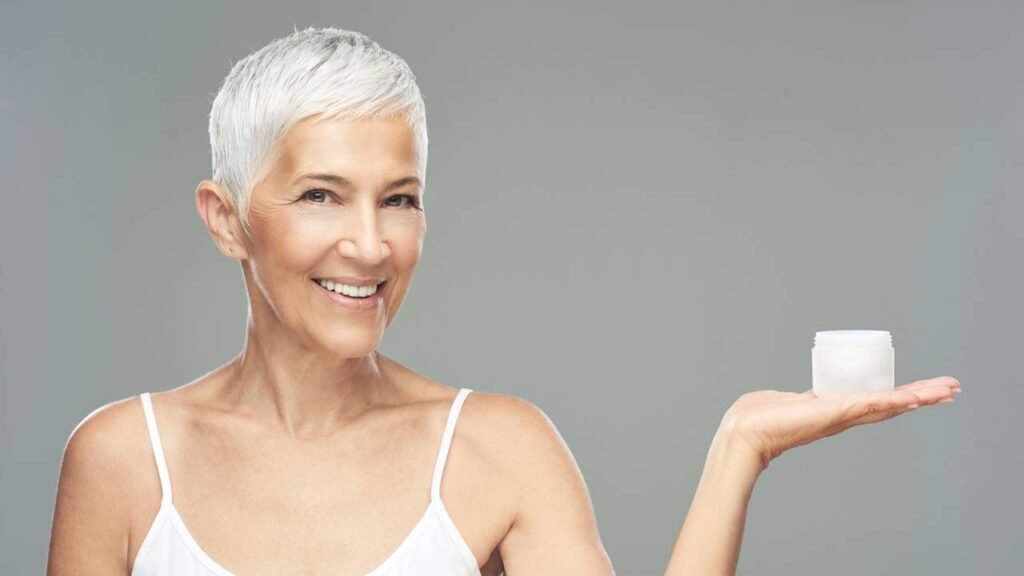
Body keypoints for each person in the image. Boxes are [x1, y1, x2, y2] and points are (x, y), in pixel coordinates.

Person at [45, 27, 960, 576]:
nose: (370, 244)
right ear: (227, 220)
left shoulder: (498, 449)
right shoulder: (124, 461)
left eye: (399, 199)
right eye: (321, 195)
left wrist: (738, 450)